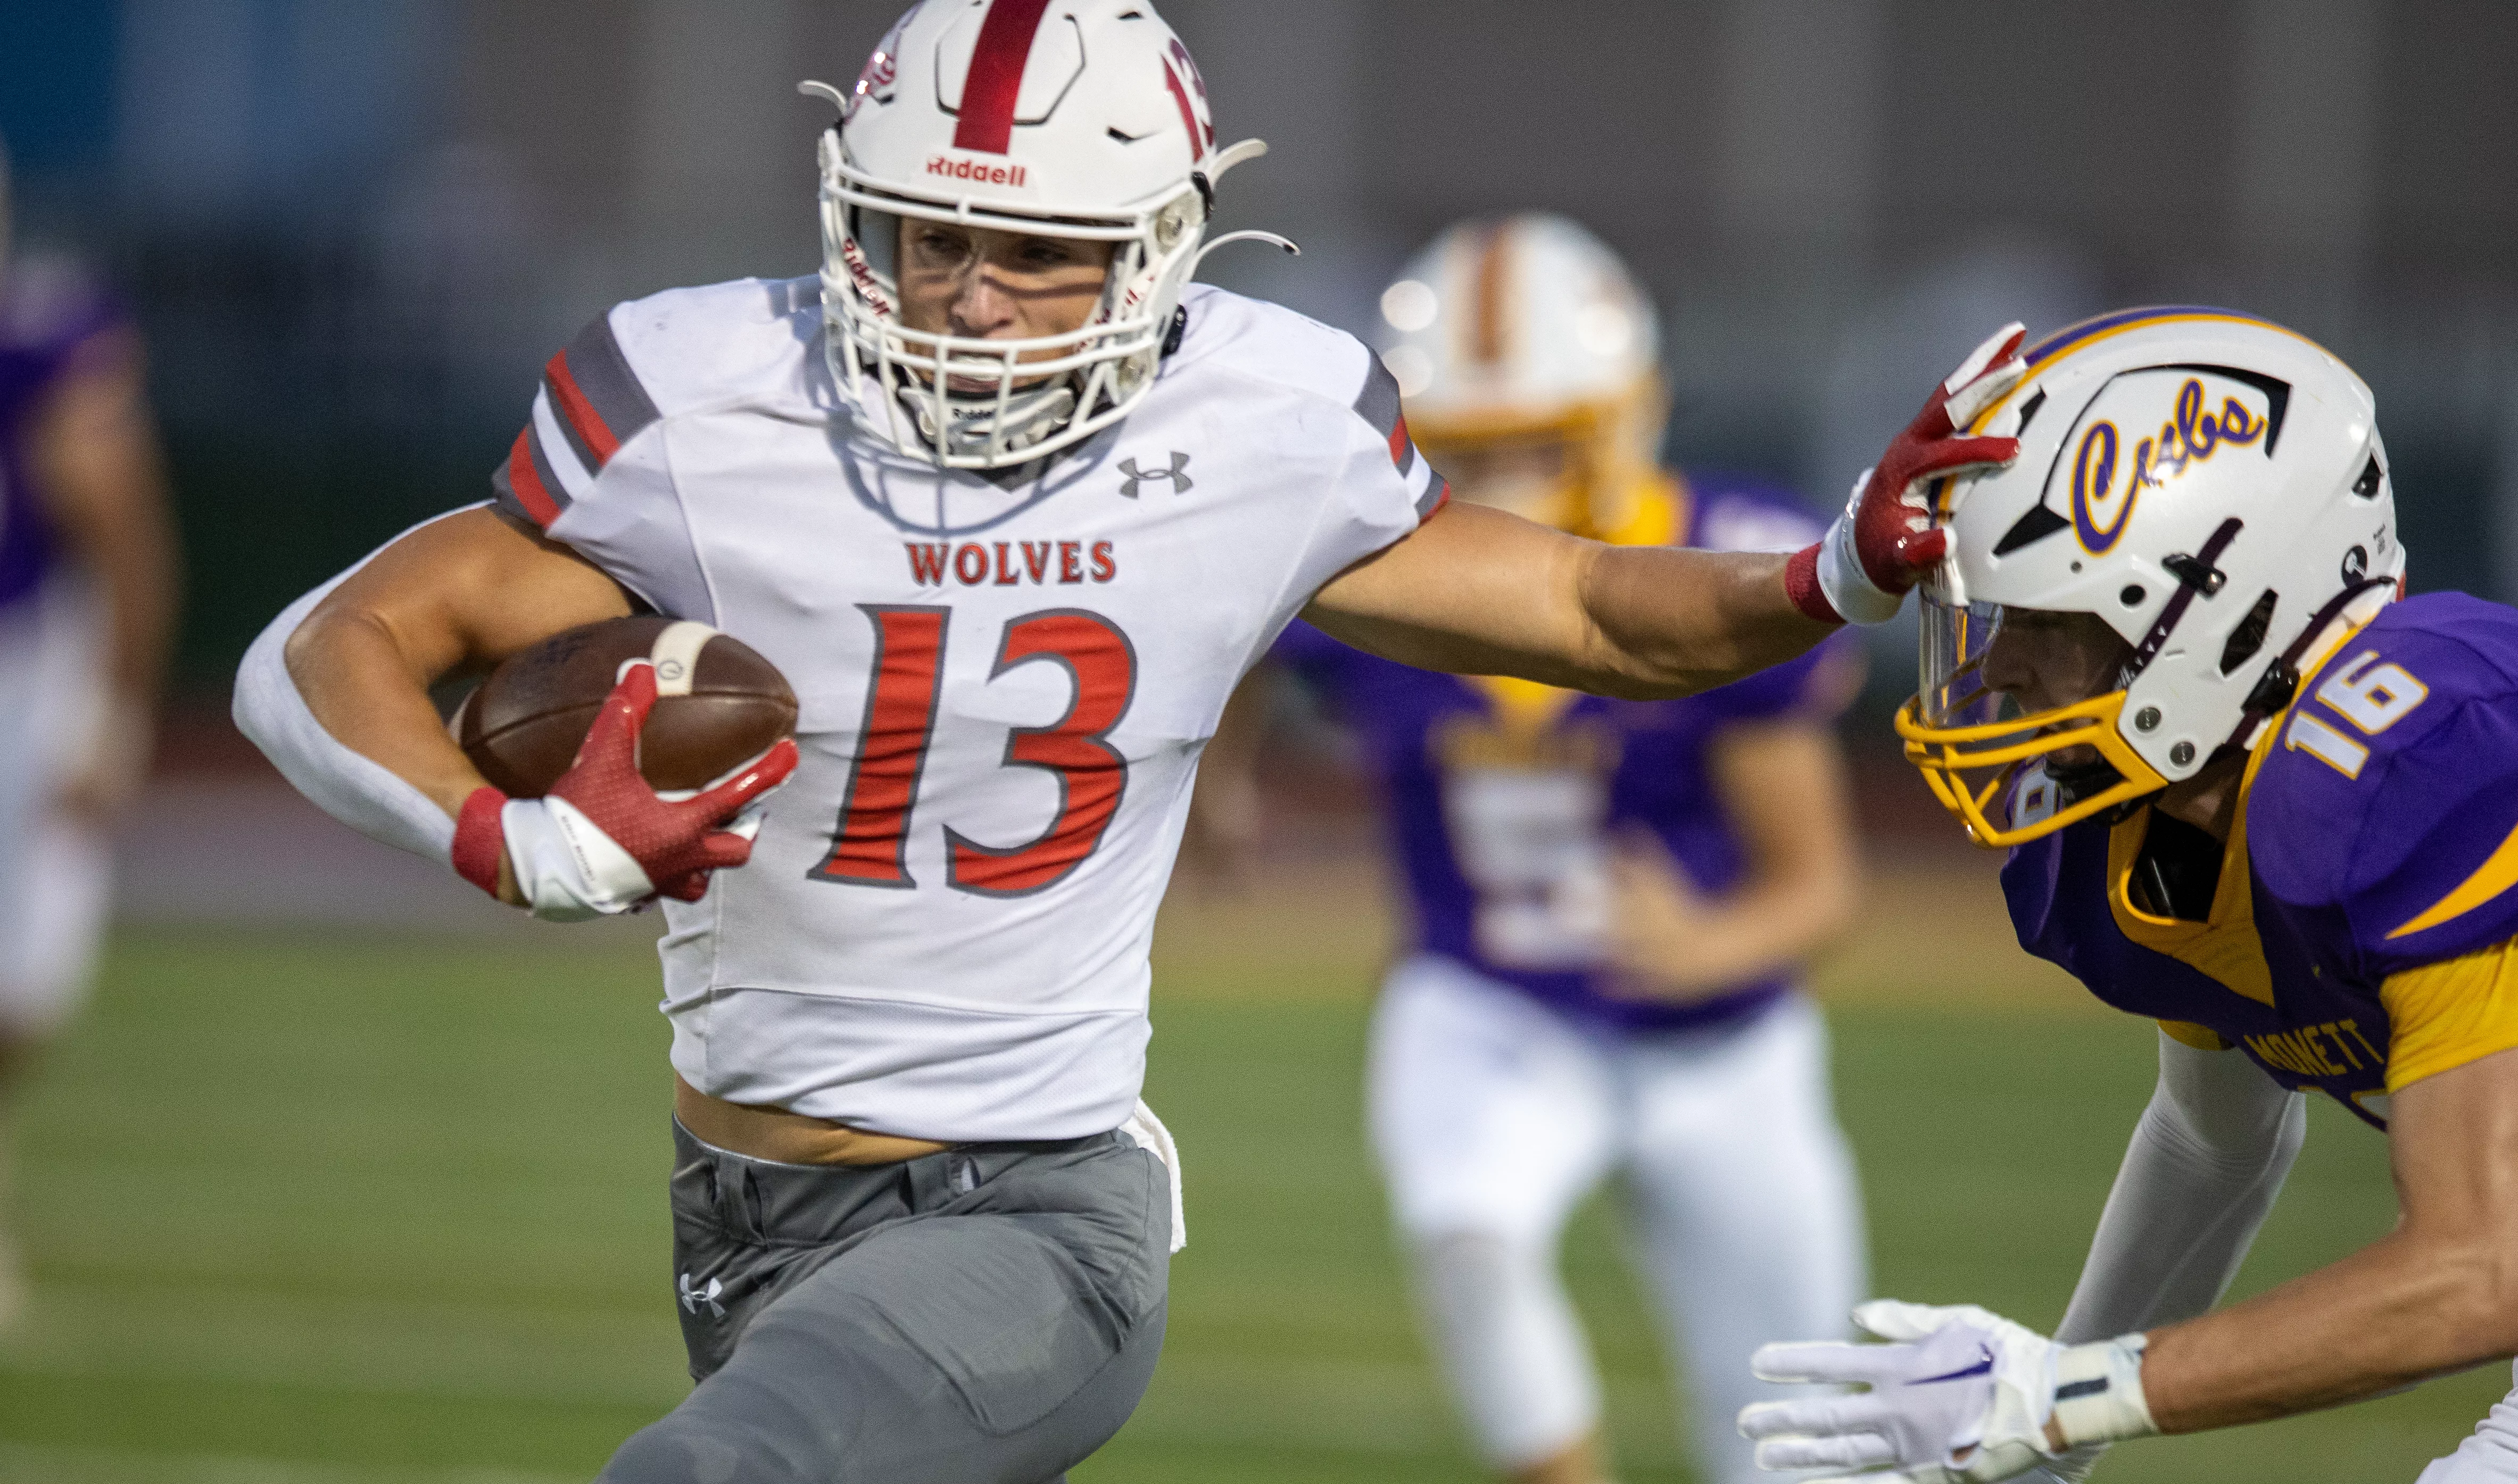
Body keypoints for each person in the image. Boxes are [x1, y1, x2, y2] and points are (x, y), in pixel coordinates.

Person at [233, 3, 2010, 1478]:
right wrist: (510, 836)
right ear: (858, 214)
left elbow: (1595, 611)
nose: (976, 296)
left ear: (1159, 251)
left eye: (1040, 250)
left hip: (1030, 1212)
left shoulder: (1263, 425)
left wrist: (1829, 567)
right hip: (741, 1200)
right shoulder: (700, 407)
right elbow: (331, 647)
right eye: (933, 234)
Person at [1741, 307, 2518, 1484]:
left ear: (2212, 608)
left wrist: (2058, 1397)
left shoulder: (2413, 753)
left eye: (2040, 616)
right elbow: (2210, 1136)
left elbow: (2474, 1275)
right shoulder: (2156, 832)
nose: (1998, 667)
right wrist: (2036, 1435)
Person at [1196, 213, 1867, 1484]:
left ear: (1625, 420)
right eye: (1472, 454)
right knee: (1467, 1236)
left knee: (1795, 1435)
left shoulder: (1711, 581)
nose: (1502, 494)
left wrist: (1710, 940)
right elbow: (1247, 639)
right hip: (1486, 999)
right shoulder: (1371, 576)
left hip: (1718, 1043)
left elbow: (1821, 884)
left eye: (1539, 449)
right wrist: (1216, 792)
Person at [0, 140, 180, 1328]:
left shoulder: (49, 339)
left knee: (30, 981)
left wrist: (116, 717)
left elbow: (127, 536)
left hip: (28, 661)